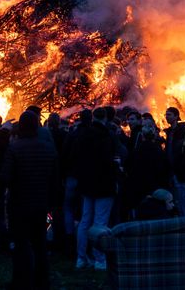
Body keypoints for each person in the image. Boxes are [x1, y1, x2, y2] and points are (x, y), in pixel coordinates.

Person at [1, 111, 58, 290]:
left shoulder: (14, 148)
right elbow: (55, 178)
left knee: (21, 244)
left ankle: (21, 281)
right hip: (42, 205)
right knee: (40, 243)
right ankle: (42, 281)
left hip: (19, 205)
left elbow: (5, 177)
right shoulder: (49, 148)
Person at [74, 107, 120, 270]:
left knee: (85, 221)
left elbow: (77, 158)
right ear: (106, 118)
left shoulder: (82, 134)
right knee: (100, 222)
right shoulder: (108, 136)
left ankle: (81, 258)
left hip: (87, 184)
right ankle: (99, 260)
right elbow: (113, 159)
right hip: (104, 185)